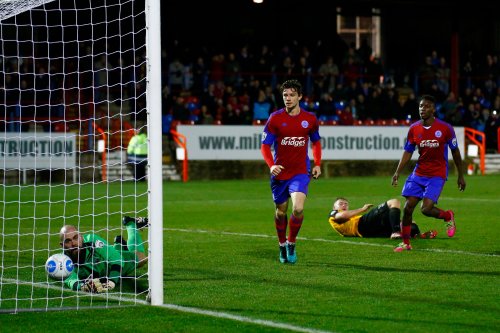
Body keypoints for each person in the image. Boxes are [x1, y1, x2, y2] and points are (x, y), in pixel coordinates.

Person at [392, 94, 466, 252]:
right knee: (408, 207)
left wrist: (460, 175)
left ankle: (447, 216)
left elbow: (456, 152)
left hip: (437, 174)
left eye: (426, 106)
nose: (422, 109)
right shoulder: (414, 129)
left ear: (433, 109)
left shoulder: (445, 128)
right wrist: (397, 172)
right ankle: (406, 243)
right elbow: (408, 152)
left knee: (425, 209)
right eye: (420, 106)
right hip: (419, 173)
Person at [260, 79, 322, 264]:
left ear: (300, 97)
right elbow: (265, 146)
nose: (288, 98)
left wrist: (317, 163)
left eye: (292, 95)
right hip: (280, 173)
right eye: (285, 95)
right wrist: (271, 165)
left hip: (300, 171)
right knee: (281, 212)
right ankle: (281, 244)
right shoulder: (275, 118)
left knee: (298, 208)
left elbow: (316, 142)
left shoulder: (309, 119)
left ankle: (291, 243)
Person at [59, 215, 148, 293]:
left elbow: (116, 258)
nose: (74, 243)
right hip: (103, 272)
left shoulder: (92, 241)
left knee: (141, 258)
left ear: (81, 236)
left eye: (75, 238)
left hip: (111, 265)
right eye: (68, 241)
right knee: (113, 253)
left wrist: (112, 281)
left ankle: (130, 224)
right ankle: (119, 245)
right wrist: (82, 287)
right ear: (62, 245)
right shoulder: (63, 262)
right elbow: (71, 280)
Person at [328, 197, 437, 239]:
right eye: (341, 203)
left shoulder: (352, 215)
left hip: (369, 232)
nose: (344, 205)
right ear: (334, 207)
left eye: (346, 204)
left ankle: (417, 235)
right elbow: (342, 216)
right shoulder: (333, 214)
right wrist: (362, 209)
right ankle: (395, 232)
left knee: (410, 224)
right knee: (394, 202)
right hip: (362, 225)